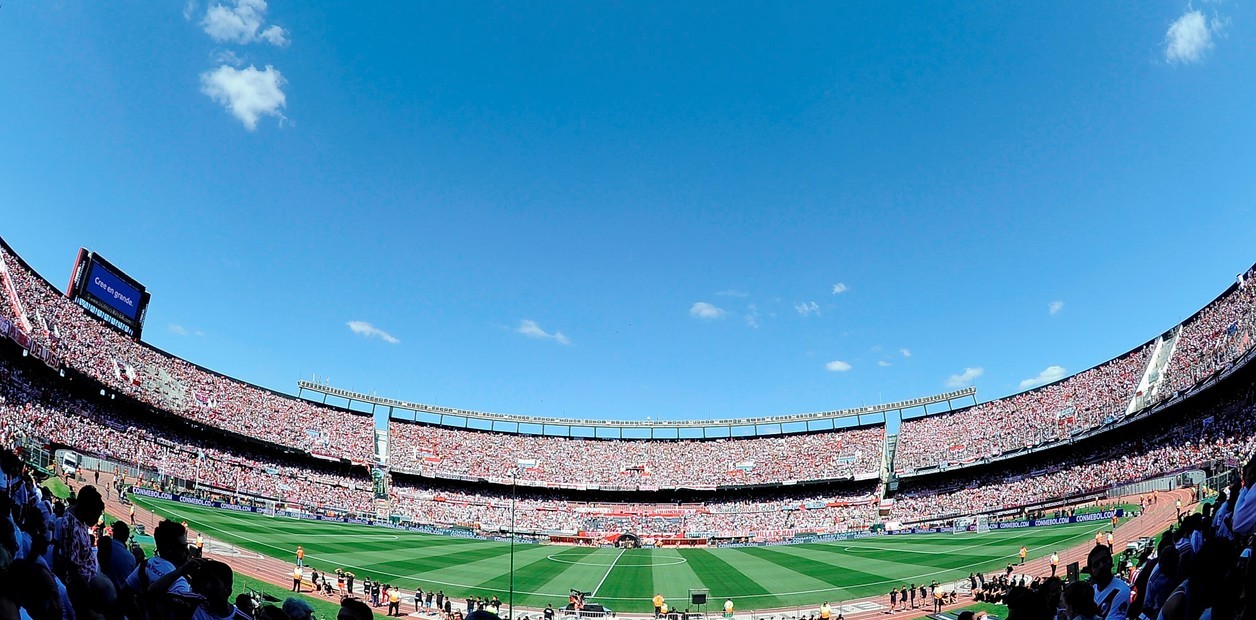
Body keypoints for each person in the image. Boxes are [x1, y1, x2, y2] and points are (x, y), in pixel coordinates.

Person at [1088, 544, 1130, 620]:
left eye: (1104, 560)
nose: (1101, 566)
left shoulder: (1122, 590)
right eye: (1096, 565)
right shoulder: (1091, 591)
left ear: (1111, 561)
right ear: (1091, 571)